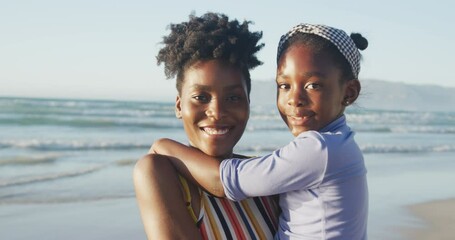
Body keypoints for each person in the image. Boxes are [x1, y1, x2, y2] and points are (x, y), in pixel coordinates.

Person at [152, 23, 369, 239]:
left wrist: (165, 146)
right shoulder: (337, 146)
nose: (294, 99)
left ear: (349, 92)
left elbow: (223, 181)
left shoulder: (321, 149)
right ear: (179, 105)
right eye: (284, 86)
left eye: (313, 85)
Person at [133, 12, 280, 239]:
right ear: (179, 106)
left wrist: (164, 145)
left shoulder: (265, 179)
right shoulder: (159, 173)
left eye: (233, 98)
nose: (217, 112)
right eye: (201, 97)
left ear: (248, 104)